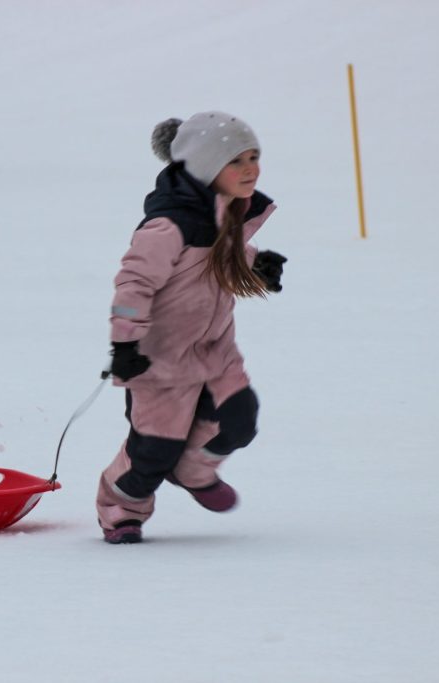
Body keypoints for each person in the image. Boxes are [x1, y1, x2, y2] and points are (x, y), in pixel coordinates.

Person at [95, 112, 289, 544]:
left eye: (254, 157)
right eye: (236, 160)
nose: (251, 169)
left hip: (215, 352)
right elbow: (134, 285)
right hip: (160, 360)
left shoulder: (224, 217)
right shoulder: (168, 227)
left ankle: (193, 470)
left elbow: (223, 254)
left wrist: (257, 266)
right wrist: (125, 346)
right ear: (204, 166)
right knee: (152, 455)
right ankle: (120, 506)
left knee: (239, 420)